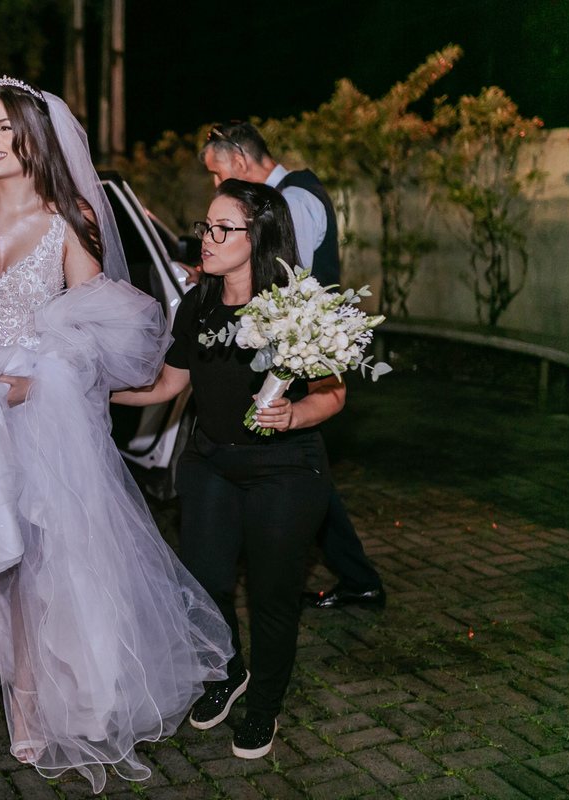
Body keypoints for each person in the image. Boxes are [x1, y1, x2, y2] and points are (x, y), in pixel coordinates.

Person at [0, 77, 232, 799]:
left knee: (31, 565)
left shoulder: (70, 219)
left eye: (4, 127)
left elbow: (93, 332)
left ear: (35, 135)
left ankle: (28, 697)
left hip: (33, 413)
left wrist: (33, 384)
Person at [113, 180, 346, 759]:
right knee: (205, 583)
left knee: (271, 595)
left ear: (257, 236)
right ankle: (229, 670)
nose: (207, 239)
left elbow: (334, 393)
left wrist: (294, 415)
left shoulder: (296, 307)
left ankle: (263, 705)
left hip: (285, 471)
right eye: (206, 227)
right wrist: (90, 388)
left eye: (223, 229)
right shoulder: (198, 304)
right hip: (211, 464)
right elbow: (167, 384)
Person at [200, 122, 386, 610]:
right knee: (307, 474)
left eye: (218, 174)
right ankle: (358, 576)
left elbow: (284, 277)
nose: (217, 185)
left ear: (241, 162)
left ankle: (355, 576)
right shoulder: (287, 194)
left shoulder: (293, 201)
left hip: (300, 351)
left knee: (302, 468)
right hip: (285, 348)